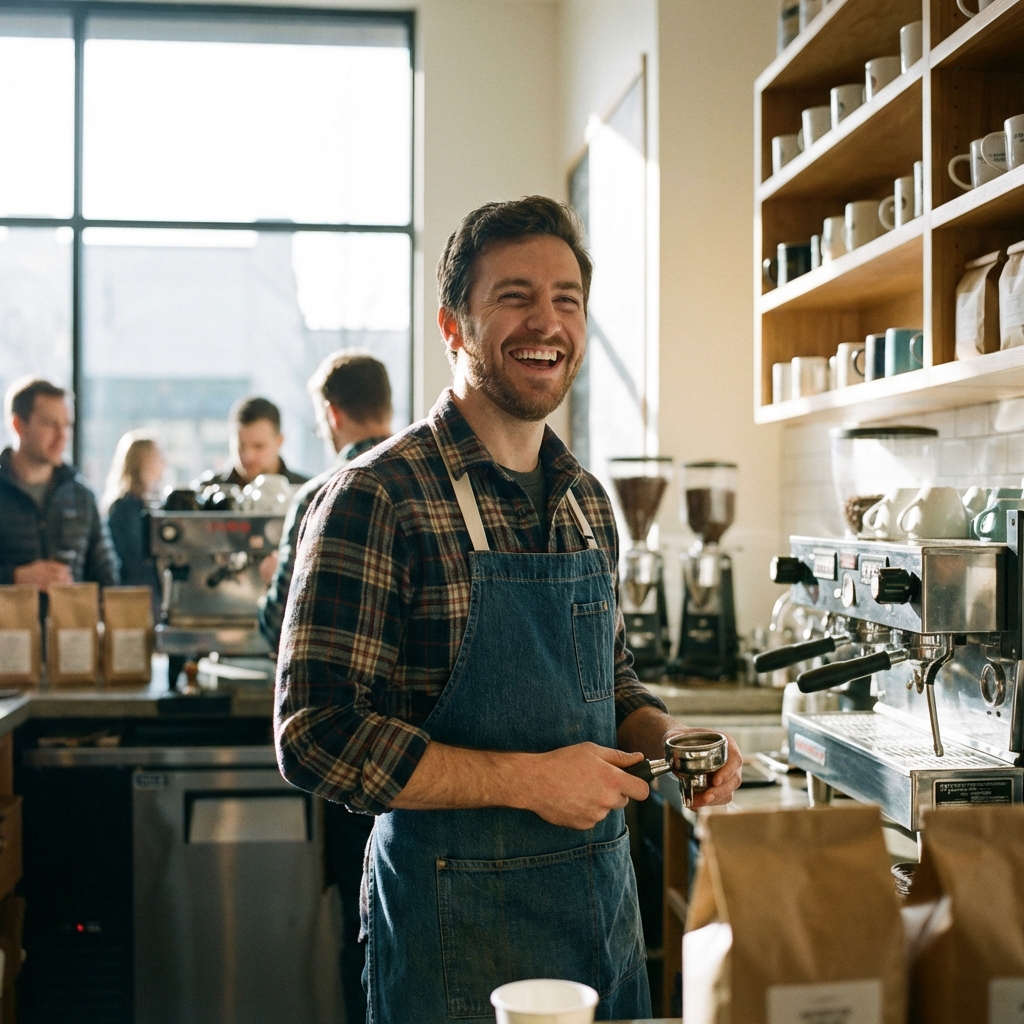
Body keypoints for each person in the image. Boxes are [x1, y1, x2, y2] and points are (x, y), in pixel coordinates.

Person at [274, 196, 743, 1023]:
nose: (547, 321)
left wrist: (671, 740)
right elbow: (316, 734)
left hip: (600, 918)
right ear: (454, 326)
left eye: (567, 299)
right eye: (515, 296)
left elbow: (614, 680)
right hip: (453, 936)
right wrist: (529, 781)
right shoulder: (376, 497)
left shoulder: (587, 502)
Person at [259, 350, 391, 1024]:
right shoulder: (428, 480)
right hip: (431, 757)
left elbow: (278, 628)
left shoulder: (320, 493)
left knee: (362, 929)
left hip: (354, 754)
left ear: (332, 415)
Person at [0, 377, 118, 589]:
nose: (62, 435)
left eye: (66, 425)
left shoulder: (82, 496)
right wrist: (14, 578)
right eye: (50, 424)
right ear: (18, 425)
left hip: (71, 622)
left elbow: (107, 577)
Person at [103, 430, 166, 614]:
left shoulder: (148, 504)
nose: (164, 462)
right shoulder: (126, 507)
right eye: (157, 456)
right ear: (142, 461)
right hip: (136, 601)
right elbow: (134, 563)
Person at [193, 395, 307, 489]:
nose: (248, 456)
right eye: (240, 446)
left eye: (258, 446)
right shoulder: (205, 492)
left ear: (279, 441)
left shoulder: (309, 495)